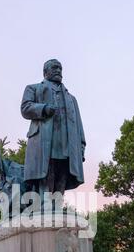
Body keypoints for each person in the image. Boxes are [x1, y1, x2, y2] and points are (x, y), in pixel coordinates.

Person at [21, 59, 86, 205]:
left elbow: (79, 125)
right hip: (44, 142)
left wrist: (81, 147)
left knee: (63, 174)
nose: (58, 70)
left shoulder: (71, 99)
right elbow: (25, 108)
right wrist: (43, 109)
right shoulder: (33, 88)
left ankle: (56, 206)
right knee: (46, 173)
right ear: (45, 72)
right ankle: (44, 206)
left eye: (60, 68)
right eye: (54, 68)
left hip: (67, 144)